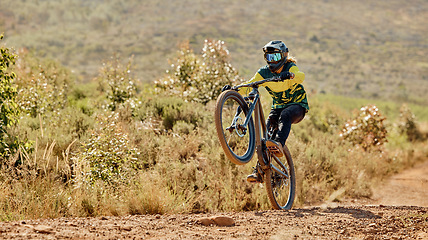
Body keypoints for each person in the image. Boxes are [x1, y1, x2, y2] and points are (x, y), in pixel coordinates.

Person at [223, 40, 309, 183]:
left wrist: (291, 75)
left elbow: (301, 76)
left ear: (283, 56)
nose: (271, 61)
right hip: (278, 107)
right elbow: (250, 85)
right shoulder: (264, 72)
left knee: (285, 115)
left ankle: (279, 144)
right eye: (268, 57)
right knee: (265, 137)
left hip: (297, 106)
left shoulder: (290, 67)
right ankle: (260, 170)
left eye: (275, 57)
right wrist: (233, 89)